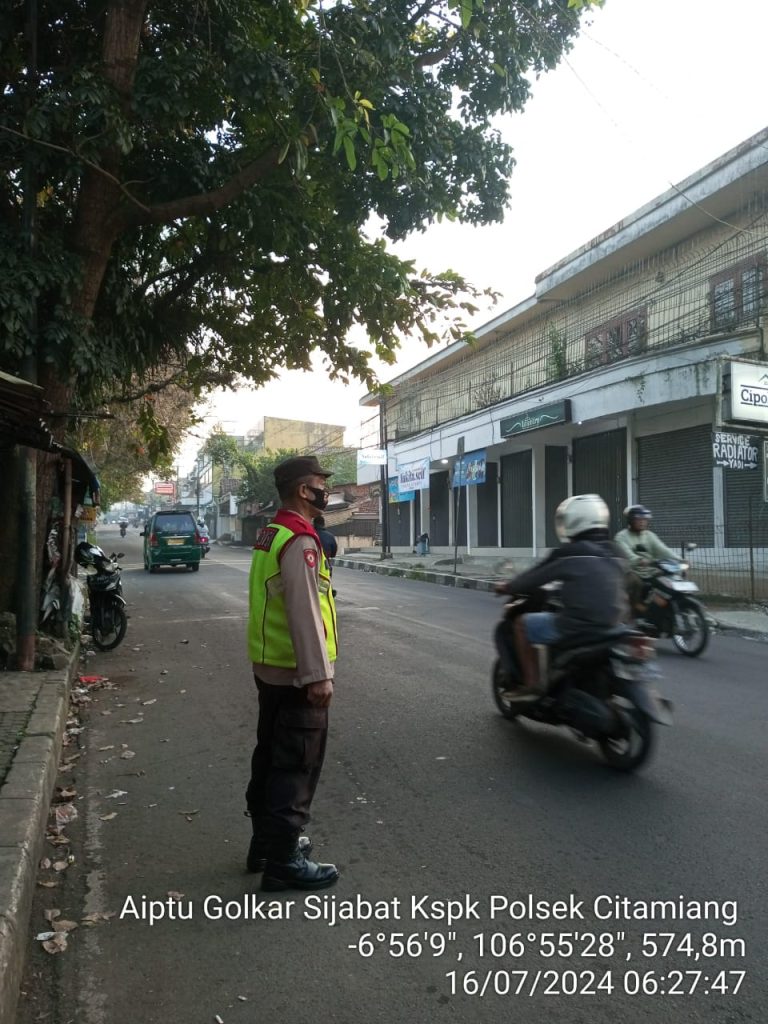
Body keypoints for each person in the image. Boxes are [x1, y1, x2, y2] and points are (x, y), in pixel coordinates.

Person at [245, 455, 340, 892]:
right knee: (297, 763)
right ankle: (283, 861)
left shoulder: (271, 532)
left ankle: (265, 843)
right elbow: (303, 612)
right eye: (321, 482)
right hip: (297, 672)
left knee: (270, 754)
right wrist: (318, 674)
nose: (326, 489)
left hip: (272, 665)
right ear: (305, 490)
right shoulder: (300, 539)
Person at [494, 494, 628, 698]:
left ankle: (531, 684)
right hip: (616, 626)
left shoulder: (569, 552)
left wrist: (508, 587)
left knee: (521, 624)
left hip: (577, 626)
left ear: (573, 522)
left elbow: (534, 577)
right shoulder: (617, 551)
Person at [614, 504, 679, 610]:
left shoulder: (649, 535)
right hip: (631, 570)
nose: (642, 522)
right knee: (636, 582)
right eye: (638, 519)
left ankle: (661, 607)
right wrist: (639, 560)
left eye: (644, 519)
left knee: (668, 579)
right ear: (631, 520)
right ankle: (635, 608)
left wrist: (679, 559)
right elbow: (627, 554)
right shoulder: (621, 536)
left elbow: (662, 549)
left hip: (650, 570)